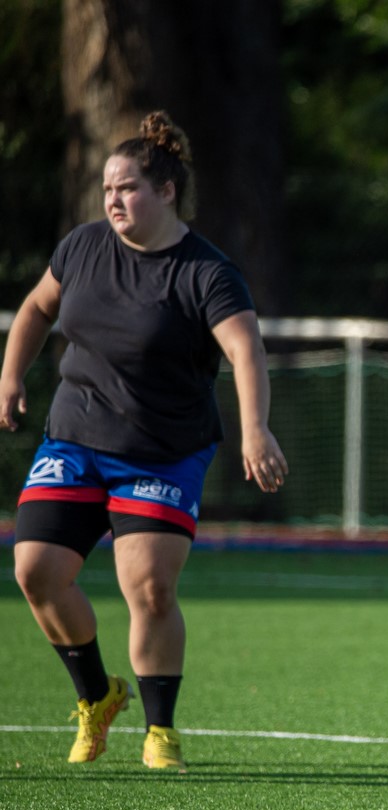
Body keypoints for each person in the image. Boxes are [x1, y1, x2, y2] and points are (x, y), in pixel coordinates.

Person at [0, 111, 288, 772]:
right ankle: (97, 697)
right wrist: (11, 376)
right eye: (107, 189)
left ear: (165, 192)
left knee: (150, 587)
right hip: (74, 437)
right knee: (35, 571)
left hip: (163, 450)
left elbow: (245, 350)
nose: (112, 201)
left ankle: (160, 730)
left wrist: (254, 428)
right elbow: (39, 308)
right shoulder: (81, 248)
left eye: (127, 188)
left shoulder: (206, 272)